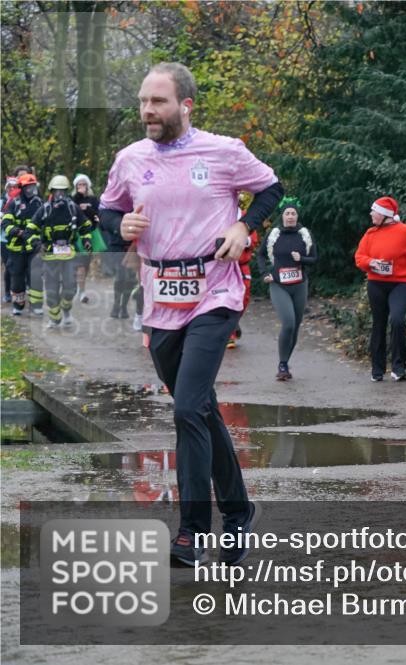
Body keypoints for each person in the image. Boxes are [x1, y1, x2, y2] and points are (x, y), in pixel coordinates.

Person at [99, 62, 283, 566]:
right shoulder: (131, 159)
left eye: (157, 101)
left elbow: (271, 188)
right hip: (160, 298)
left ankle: (192, 532)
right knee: (198, 408)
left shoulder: (223, 151)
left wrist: (245, 226)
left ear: (186, 105)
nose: (146, 111)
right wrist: (122, 224)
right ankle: (240, 511)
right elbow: (107, 209)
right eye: (142, 101)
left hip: (215, 293)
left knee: (185, 409)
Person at [354, 196, 406, 382]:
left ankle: (398, 368)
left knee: (397, 320)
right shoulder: (370, 233)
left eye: (374, 211)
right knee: (378, 324)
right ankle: (377, 369)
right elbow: (359, 257)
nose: (371, 214)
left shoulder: (405, 232)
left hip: (400, 283)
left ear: (384, 214)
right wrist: (371, 262)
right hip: (376, 284)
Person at [257, 196, 316, 380]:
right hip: (278, 284)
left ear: (297, 216)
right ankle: (282, 364)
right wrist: (264, 273)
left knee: (296, 326)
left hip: (299, 285)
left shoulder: (304, 234)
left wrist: (302, 259)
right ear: (282, 216)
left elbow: (315, 258)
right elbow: (259, 255)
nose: (290, 217)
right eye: (287, 213)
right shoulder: (274, 234)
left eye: (293, 213)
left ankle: (285, 364)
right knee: (288, 323)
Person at [32, 174, 92, 327]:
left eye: (63, 192)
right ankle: (54, 318)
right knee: (51, 291)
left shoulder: (73, 209)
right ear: (51, 192)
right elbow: (30, 230)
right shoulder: (44, 210)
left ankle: (66, 310)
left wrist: (86, 241)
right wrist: (38, 244)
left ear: (67, 192)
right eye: (56, 192)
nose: (59, 195)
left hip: (68, 254)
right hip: (50, 256)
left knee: (70, 288)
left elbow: (85, 227)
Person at [1, 172, 43, 315]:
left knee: (35, 274)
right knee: (17, 276)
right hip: (17, 248)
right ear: (22, 188)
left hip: (34, 247)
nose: (32, 190)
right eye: (28, 188)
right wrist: (17, 231)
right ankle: (18, 305)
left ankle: (36, 305)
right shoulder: (14, 202)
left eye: (33, 187)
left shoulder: (39, 203)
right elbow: (5, 223)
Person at [227, 191, 259, 350]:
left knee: (244, 298)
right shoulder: (219, 215)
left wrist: (242, 240)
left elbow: (254, 238)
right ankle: (229, 333)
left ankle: (234, 322)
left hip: (242, 265)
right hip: (223, 266)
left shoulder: (245, 215)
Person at [72, 174, 103, 304]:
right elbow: (71, 212)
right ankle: (81, 291)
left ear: (88, 186)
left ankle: (80, 288)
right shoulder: (72, 199)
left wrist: (88, 209)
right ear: (75, 186)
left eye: (84, 184)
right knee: (79, 265)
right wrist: (79, 201)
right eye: (79, 184)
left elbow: (97, 216)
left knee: (85, 264)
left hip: (89, 234)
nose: (82, 187)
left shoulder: (93, 199)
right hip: (76, 234)